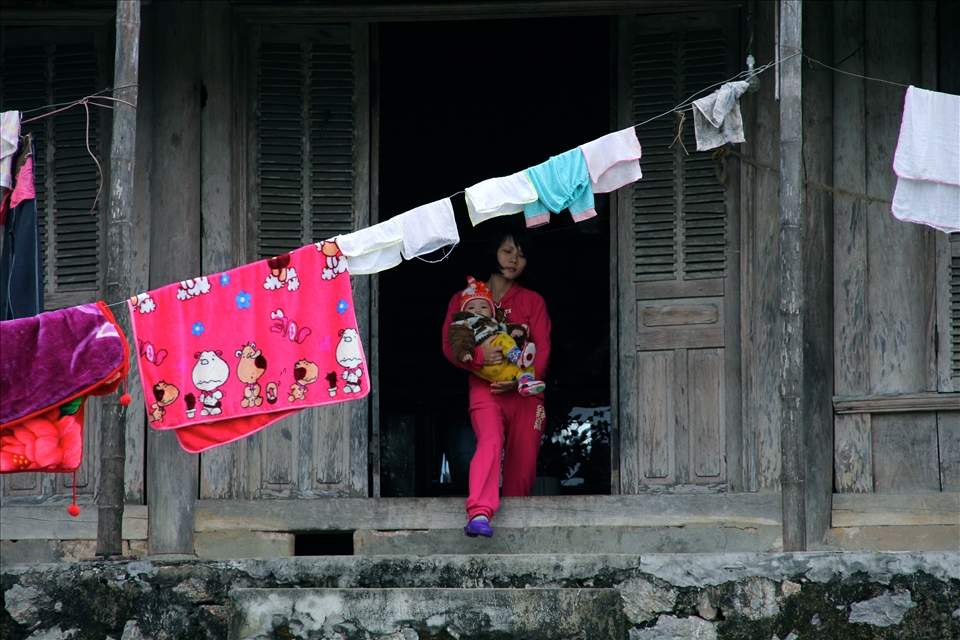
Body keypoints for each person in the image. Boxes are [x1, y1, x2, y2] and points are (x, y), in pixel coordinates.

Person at [441, 223, 551, 538]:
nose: (514, 259)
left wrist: (522, 382)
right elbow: (450, 346)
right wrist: (479, 358)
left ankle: (516, 537)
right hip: (486, 389)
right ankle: (479, 513)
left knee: (522, 466)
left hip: (527, 394)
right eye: (507, 250)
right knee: (489, 444)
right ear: (493, 251)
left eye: (522, 255)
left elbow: (542, 349)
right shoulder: (463, 300)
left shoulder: (533, 302)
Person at [447, 275, 546, 396]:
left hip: (504, 369)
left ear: (492, 310)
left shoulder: (496, 323)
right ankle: (517, 357)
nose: (478, 310)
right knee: (503, 338)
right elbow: (459, 339)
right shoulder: (464, 324)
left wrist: (517, 332)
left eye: (483, 306)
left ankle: (525, 384)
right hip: (486, 366)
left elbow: (508, 328)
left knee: (526, 368)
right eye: (471, 307)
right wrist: (465, 353)